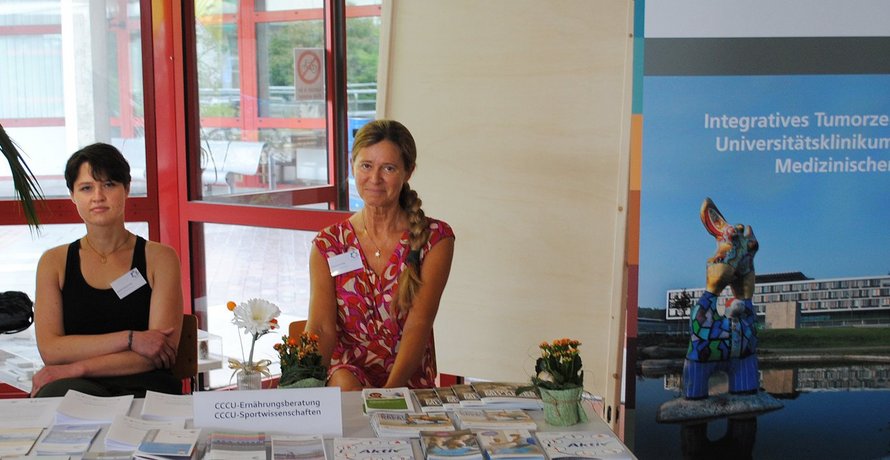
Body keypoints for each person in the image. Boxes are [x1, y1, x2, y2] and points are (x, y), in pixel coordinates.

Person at [307, 119, 455, 390]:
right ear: (352, 166)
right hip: (346, 375)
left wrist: (387, 396)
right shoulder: (328, 244)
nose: (374, 179)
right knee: (342, 382)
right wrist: (301, 388)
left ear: (408, 172)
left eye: (388, 168)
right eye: (366, 166)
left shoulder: (435, 239)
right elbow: (321, 329)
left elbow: (418, 326)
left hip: (408, 381)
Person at [31, 143, 183, 397]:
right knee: (55, 398)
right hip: (73, 388)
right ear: (72, 195)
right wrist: (131, 339)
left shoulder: (160, 258)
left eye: (109, 184)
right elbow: (51, 351)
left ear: (127, 189)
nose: (98, 196)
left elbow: (159, 352)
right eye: (86, 188)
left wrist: (76, 367)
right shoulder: (53, 262)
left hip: (145, 385)